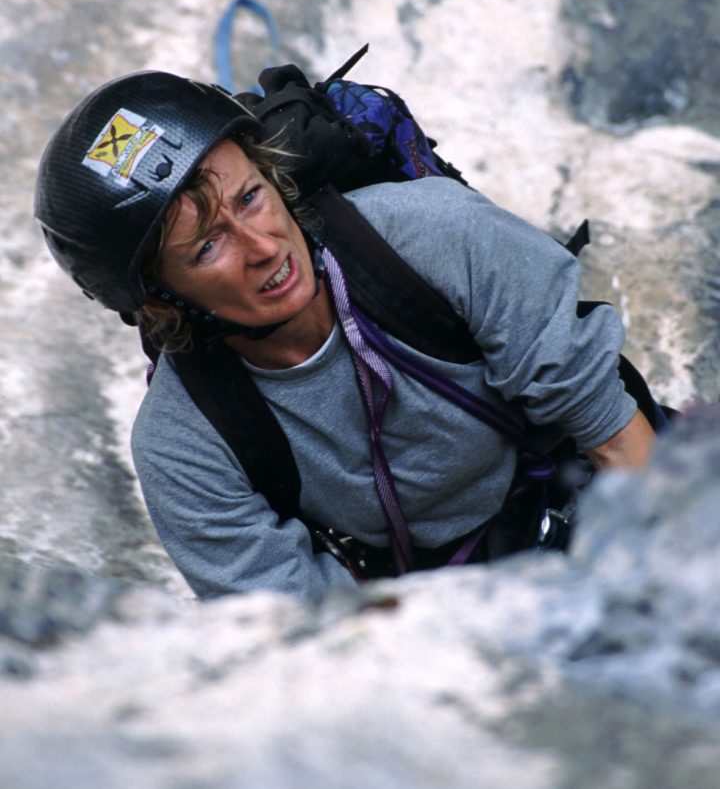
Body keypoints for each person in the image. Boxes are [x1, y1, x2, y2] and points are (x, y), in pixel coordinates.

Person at [34, 68, 656, 602]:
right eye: (207, 247)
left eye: (250, 197)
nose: (262, 247)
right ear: (159, 302)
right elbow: (302, 642)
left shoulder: (439, 237)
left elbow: (616, 442)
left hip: (585, 488)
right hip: (429, 604)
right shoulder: (184, 449)